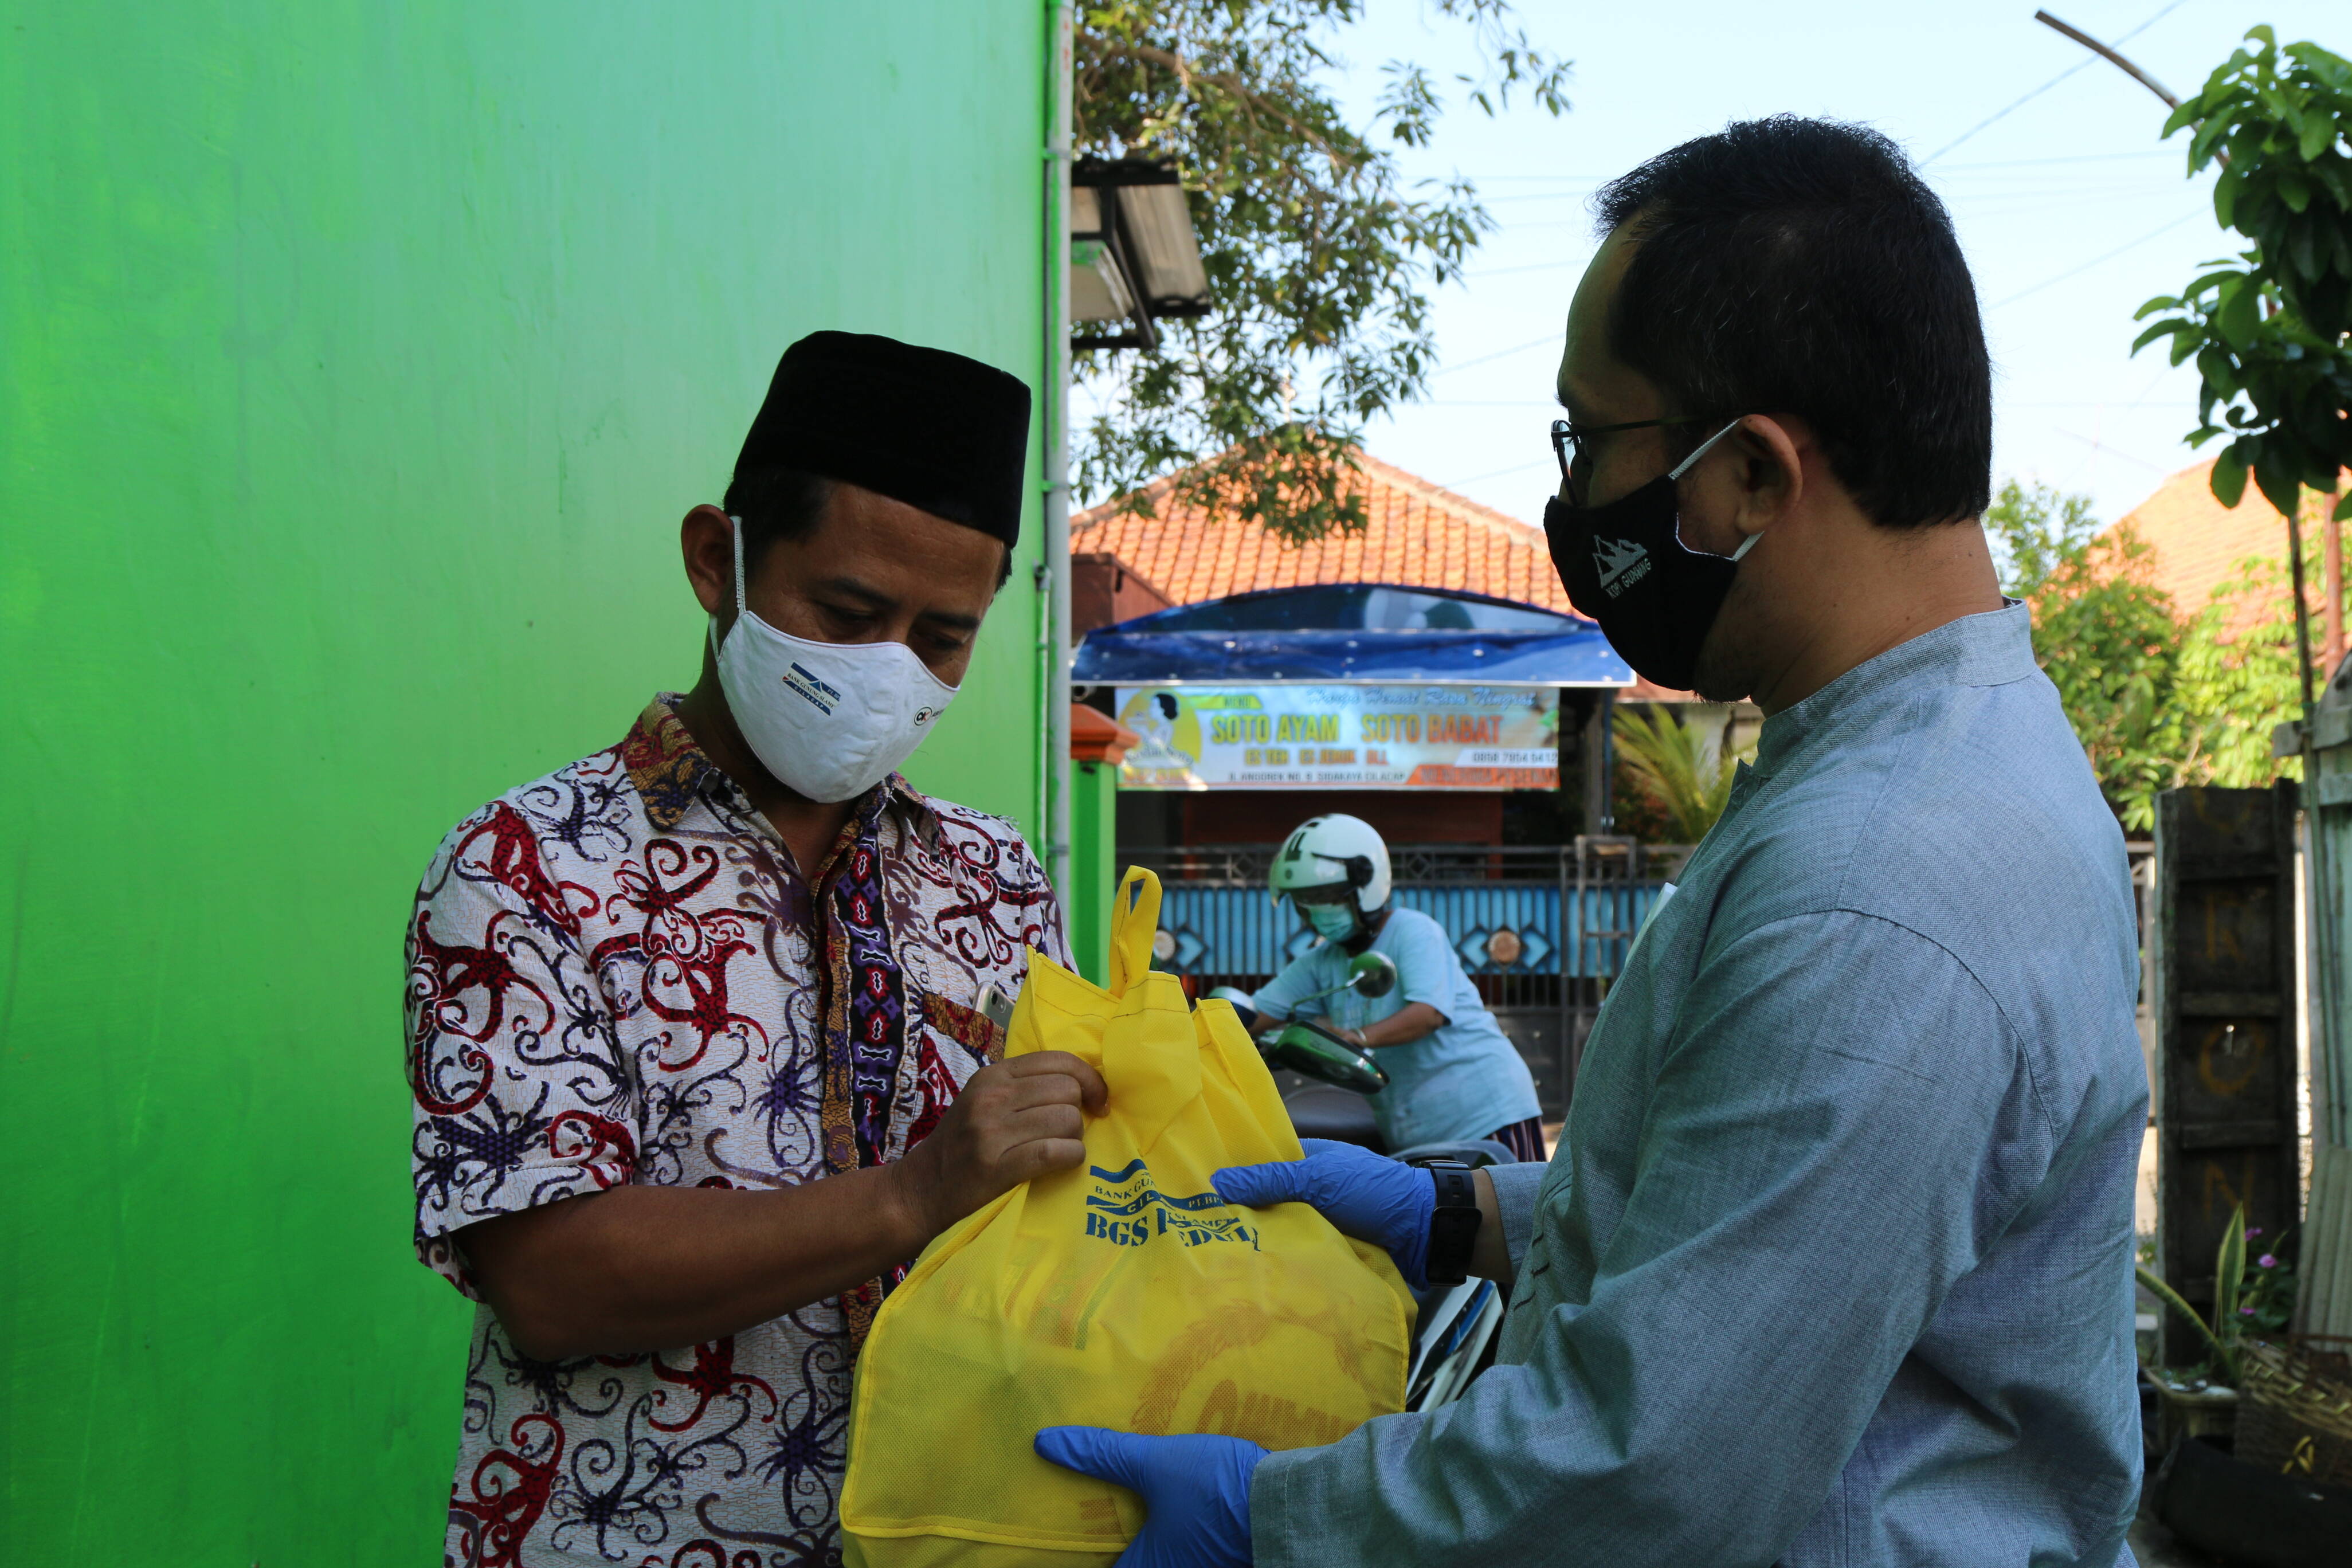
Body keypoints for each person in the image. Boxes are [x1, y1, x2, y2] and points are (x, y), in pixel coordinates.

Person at [1036, 117, 2149, 1567]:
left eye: (1591, 437)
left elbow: (1654, 1464)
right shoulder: (1918, 760)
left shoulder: (1880, 886)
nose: (1573, 497)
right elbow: (1763, 1225)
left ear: (1749, 473)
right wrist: (1469, 1210)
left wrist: (1274, 1513)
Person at [405, 330, 1106, 1567]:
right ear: (714, 561)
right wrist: (914, 1192)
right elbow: (553, 1280)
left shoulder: (993, 880)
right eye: (847, 610)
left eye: (942, 637)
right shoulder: (527, 870)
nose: (889, 670)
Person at [1247, 813, 1543, 1157]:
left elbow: (1427, 1014)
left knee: (1514, 1209)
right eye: (1304, 902)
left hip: (1486, 1115)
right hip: (1413, 1136)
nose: (1316, 911)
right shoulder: (1322, 961)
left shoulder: (1412, 931)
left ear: (1366, 884)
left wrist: (1359, 1037)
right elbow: (1257, 1014)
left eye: (1326, 896)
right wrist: (1202, 1022)